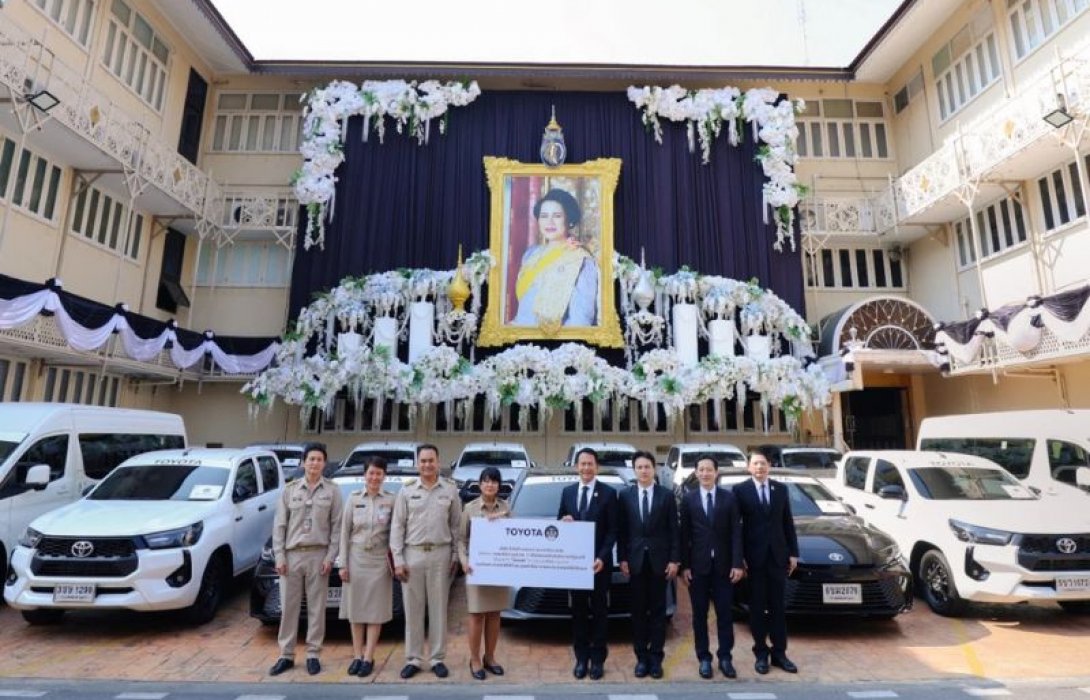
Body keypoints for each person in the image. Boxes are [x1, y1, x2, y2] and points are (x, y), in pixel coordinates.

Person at [269, 443, 343, 676]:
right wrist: (279, 556)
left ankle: (313, 654)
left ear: (324, 463)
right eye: (311, 459)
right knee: (289, 608)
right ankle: (286, 654)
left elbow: (337, 527)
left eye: (319, 459)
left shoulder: (332, 491)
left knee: (316, 608)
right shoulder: (290, 490)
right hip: (292, 556)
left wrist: (331, 557)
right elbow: (279, 526)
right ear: (303, 462)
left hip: (318, 555)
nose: (314, 463)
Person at [390, 443, 461, 679]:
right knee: (413, 610)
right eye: (423, 461)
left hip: (440, 555)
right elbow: (397, 527)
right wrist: (398, 559)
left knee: (439, 609)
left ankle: (437, 658)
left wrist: (454, 556)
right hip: (413, 555)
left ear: (438, 462)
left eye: (431, 460)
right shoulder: (407, 491)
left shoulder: (450, 490)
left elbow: (456, 528)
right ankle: (413, 658)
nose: (427, 465)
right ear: (417, 463)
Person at [732, 446, 800, 675]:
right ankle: (761, 652)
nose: (760, 467)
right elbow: (736, 528)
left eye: (763, 463)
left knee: (778, 607)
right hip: (754, 559)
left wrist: (793, 553)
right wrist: (739, 557)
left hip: (778, 558)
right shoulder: (740, 491)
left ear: (769, 466)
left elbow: (787, 522)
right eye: (756, 463)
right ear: (748, 467)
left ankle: (780, 653)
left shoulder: (780, 489)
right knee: (758, 608)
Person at [679, 455, 745, 679]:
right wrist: (685, 567)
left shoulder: (729, 498)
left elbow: (737, 532)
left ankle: (725, 657)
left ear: (716, 473)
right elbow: (684, 535)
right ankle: (704, 658)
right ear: (696, 473)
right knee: (699, 616)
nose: (705, 473)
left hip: (724, 568)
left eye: (709, 470)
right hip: (698, 568)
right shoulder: (689, 500)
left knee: (725, 614)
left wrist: (737, 563)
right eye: (701, 470)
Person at [616, 450, 679, 679]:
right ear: (634, 470)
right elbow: (621, 531)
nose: (643, 471)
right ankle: (641, 658)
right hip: (635, 563)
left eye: (647, 467)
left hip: (660, 563)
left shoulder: (666, 495)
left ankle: (656, 658)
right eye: (639, 467)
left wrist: (674, 560)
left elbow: (674, 530)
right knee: (638, 613)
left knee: (658, 612)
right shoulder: (625, 496)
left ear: (654, 469)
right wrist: (622, 558)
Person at [557, 447, 617, 680]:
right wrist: (564, 520)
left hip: (599, 564)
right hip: (576, 565)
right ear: (576, 467)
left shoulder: (609, 494)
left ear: (596, 467)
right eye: (582, 464)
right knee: (579, 612)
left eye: (590, 464)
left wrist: (601, 557)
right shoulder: (568, 492)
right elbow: (558, 523)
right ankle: (581, 658)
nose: (586, 468)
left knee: (601, 612)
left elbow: (613, 531)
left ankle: (598, 660)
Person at [338, 456, 395, 678]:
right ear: (365, 475)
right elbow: (344, 533)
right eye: (371, 473)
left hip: (380, 561)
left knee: (375, 612)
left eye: (378, 473)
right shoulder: (353, 500)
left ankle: (369, 656)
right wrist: (342, 563)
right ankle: (356, 655)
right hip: (356, 559)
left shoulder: (391, 500)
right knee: (356, 611)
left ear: (384, 476)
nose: (374, 477)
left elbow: (395, 532)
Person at [512, 188, 599, 328]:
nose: (549, 222)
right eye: (544, 216)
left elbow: (580, 320)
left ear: (569, 220)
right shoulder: (530, 254)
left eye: (557, 216)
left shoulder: (580, 259)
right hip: (521, 337)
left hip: (555, 344)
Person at [457, 466, 512, 681]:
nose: (490, 485)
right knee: (477, 615)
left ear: (499, 485)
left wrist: (502, 521)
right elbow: (461, 540)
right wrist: (464, 562)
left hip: (498, 569)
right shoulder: (469, 509)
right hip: (476, 569)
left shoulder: (506, 508)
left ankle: (490, 657)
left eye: (494, 481)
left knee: (495, 614)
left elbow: (514, 536)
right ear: (480, 485)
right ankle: (474, 659)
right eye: (486, 481)